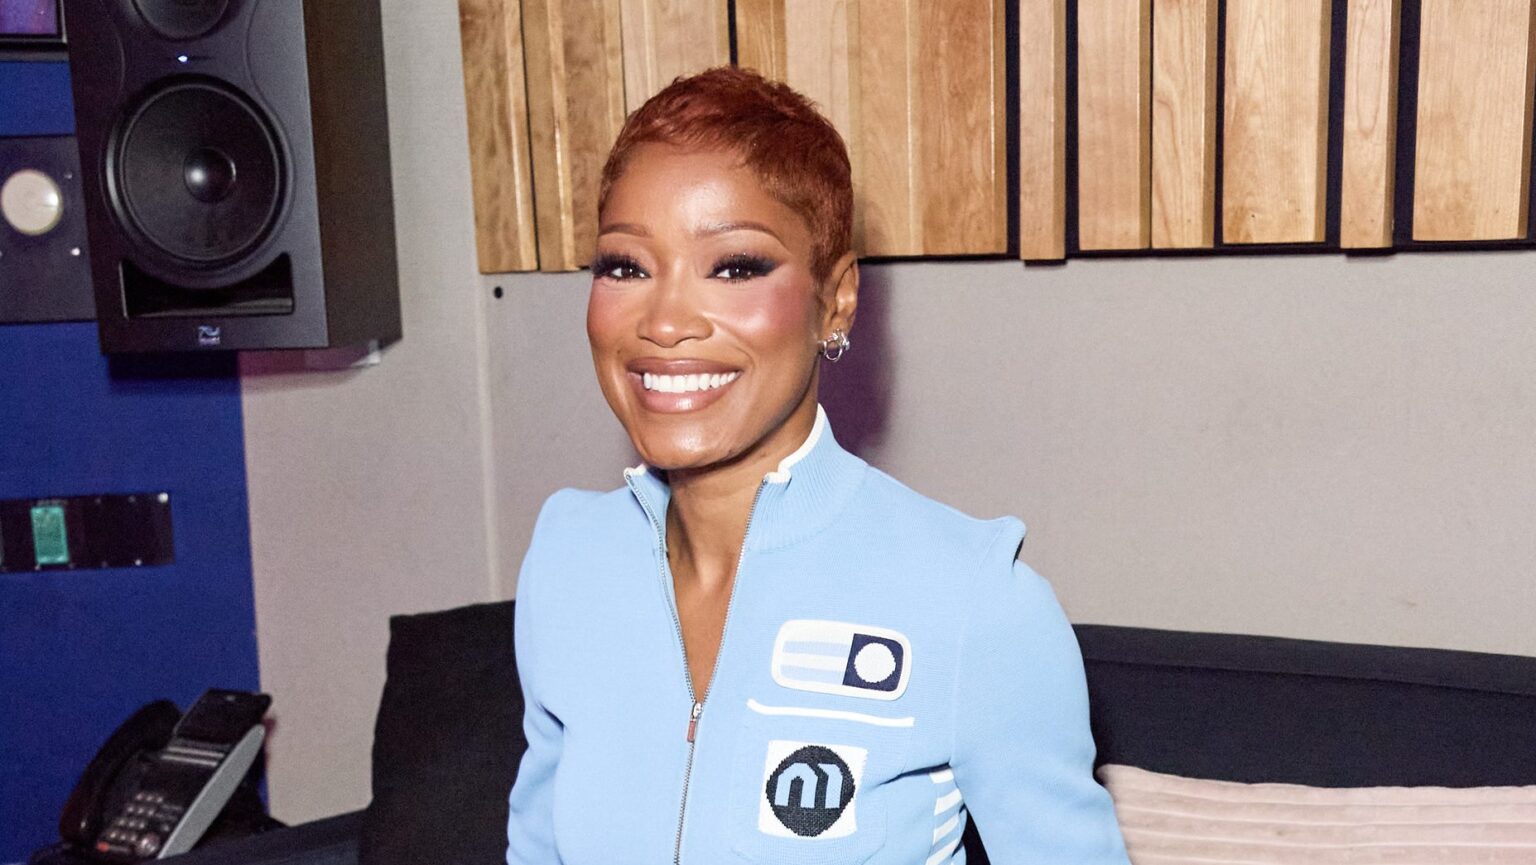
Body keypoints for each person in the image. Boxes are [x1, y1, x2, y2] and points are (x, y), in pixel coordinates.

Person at [506, 66, 1128, 865]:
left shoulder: (975, 599)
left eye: (734, 266)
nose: (663, 321)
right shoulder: (567, 559)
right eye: (626, 266)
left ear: (835, 299)